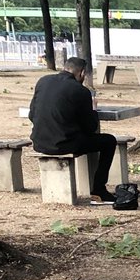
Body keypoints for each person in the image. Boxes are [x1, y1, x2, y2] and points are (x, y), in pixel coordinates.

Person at [29, 56, 117, 204]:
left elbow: (32, 115)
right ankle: (99, 190)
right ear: (82, 73)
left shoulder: (43, 81)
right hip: (64, 143)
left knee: (84, 137)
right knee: (109, 141)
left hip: (39, 142)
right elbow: (90, 128)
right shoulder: (81, 91)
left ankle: (97, 189)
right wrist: (93, 110)